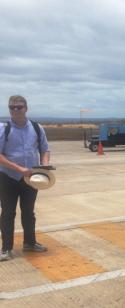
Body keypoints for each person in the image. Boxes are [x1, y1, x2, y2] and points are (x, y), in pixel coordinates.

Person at [0, 95, 50, 261]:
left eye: (19, 107)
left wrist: (43, 165)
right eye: (12, 107)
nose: (15, 110)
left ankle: (29, 243)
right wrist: (19, 168)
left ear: (26, 108)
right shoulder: (4, 129)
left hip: (31, 178)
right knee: (8, 213)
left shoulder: (36, 128)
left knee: (29, 212)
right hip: (8, 177)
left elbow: (45, 149)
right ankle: (6, 249)